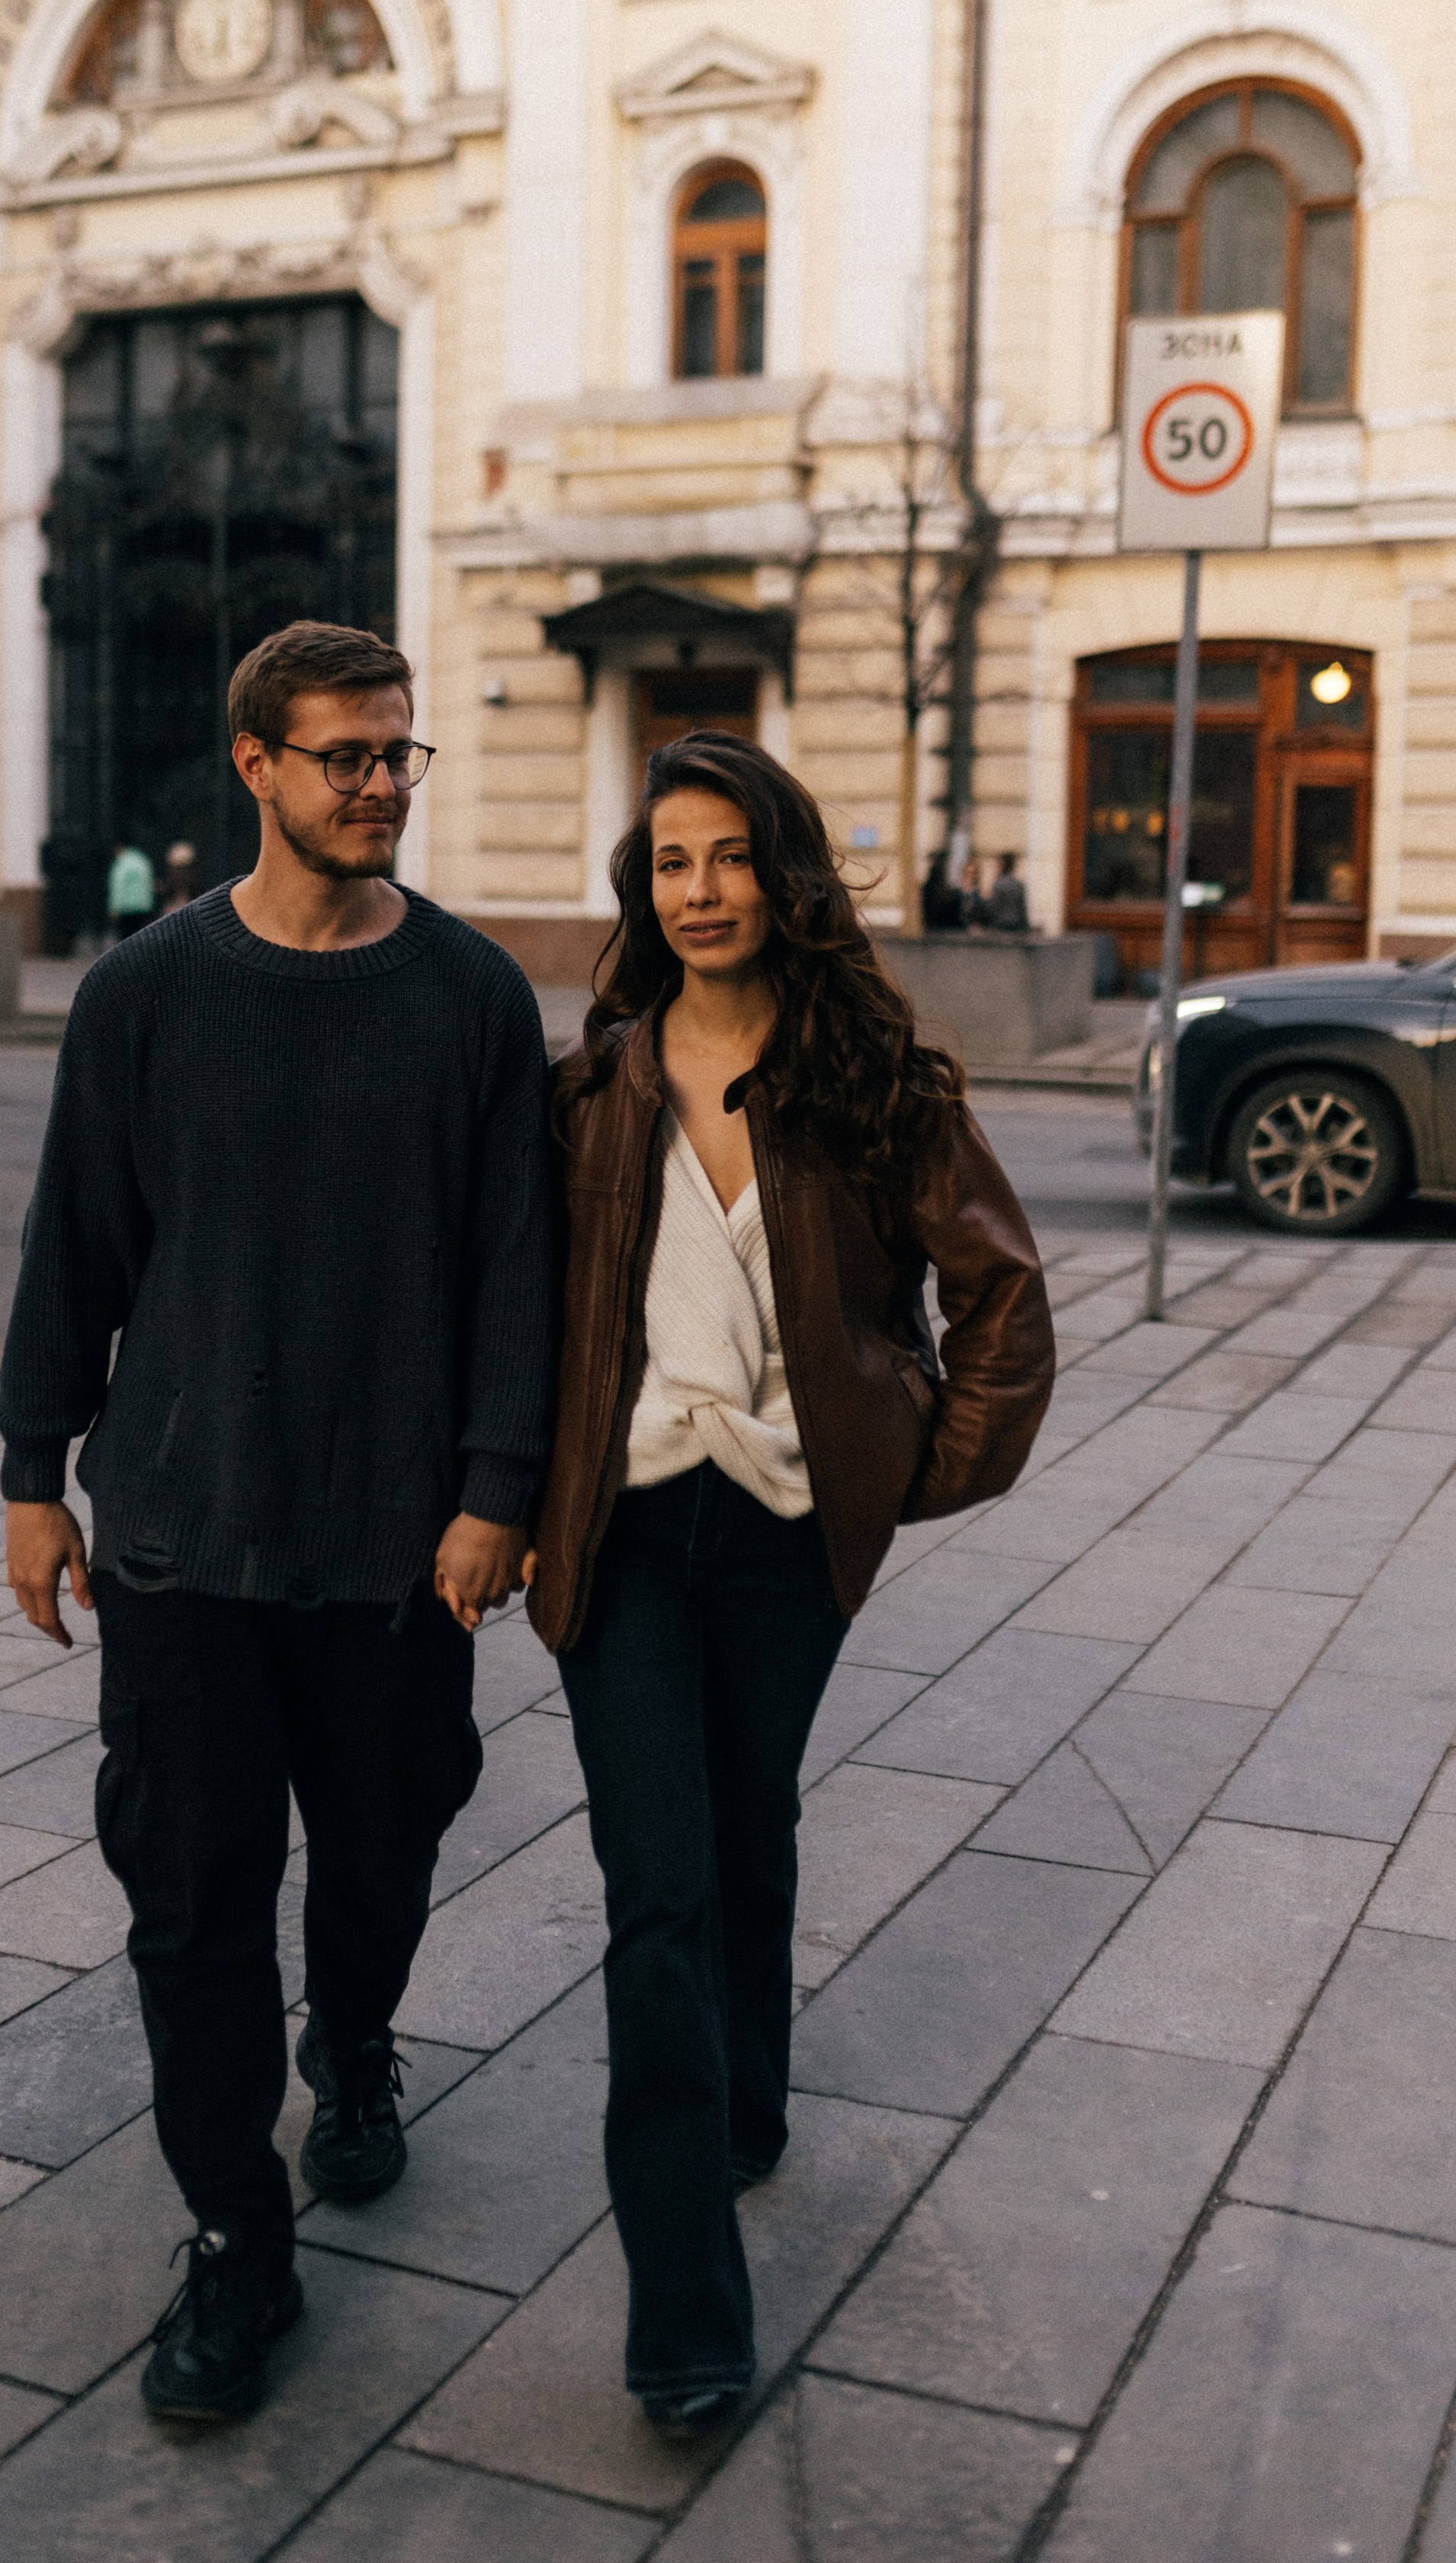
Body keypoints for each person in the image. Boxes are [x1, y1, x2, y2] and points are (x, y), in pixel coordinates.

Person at [0, 621, 556, 2428]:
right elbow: (73, 1240)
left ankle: (363, 2036)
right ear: (254, 765)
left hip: (398, 1551)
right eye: (346, 756)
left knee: (385, 1851)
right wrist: (30, 1468)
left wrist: (495, 1491)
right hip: (181, 1538)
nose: (383, 782)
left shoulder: (470, 997)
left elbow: (514, 1272)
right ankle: (237, 2234)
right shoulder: (144, 994)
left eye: (400, 753)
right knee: (191, 1898)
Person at [524, 732, 1053, 2430]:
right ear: (641, 887)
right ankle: (683, 2305)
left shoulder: (877, 1078)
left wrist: (908, 1472)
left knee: (746, 1825)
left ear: (783, 871)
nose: (696, 892)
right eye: (668, 863)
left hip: (782, 1538)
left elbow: (1001, 1302)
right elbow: (517, 1319)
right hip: (618, 1537)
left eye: (727, 858)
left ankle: (747, 2100)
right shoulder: (590, 1087)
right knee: (656, 1888)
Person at [105, 839, 156, 941]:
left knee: (126, 940)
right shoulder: (142, 859)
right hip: (143, 906)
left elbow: (118, 886)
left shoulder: (122, 864)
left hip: (126, 908)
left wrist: (114, 906)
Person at [984, 852, 1030, 932]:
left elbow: (993, 908)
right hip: (1017, 925)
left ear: (1002, 865)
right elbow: (1023, 908)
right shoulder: (1019, 885)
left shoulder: (998, 884)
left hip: (1000, 925)